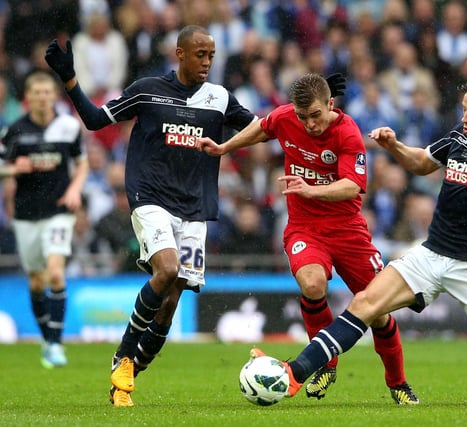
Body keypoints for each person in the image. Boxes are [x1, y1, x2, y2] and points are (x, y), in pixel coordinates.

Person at [250, 77, 467, 404]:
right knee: (365, 304)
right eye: (464, 109)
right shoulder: (459, 136)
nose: (464, 117)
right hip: (431, 254)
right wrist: (394, 146)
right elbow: (423, 163)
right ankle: (294, 372)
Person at [44, 25, 258, 407]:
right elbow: (95, 120)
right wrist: (70, 79)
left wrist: (312, 113)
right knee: (167, 271)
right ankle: (123, 355)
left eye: (211, 55)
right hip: (150, 197)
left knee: (171, 303)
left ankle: (124, 380)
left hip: (194, 209)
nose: (207, 61)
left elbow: (262, 127)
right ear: (179, 53)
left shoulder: (219, 98)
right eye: (200, 54)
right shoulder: (146, 90)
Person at [196, 73, 419, 404]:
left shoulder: (347, 131)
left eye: (316, 115)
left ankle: (397, 383)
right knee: (313, 285)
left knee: (379, 311)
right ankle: (326, 364)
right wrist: (226, 147)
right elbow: (262, 127)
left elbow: (352, 186)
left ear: (330, 104)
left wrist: (310, 189)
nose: (310, 124)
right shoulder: (287, 117)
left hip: (348, 229)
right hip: (305, 227)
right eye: (303, 117)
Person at [0, 71, 89, 368]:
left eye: (46, 91)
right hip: (26, 214)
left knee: (55, 272)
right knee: (37, 282)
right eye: (36, 92)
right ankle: (47, 339)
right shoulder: (15, 130)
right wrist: (13, 170)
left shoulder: (67, 126)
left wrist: (75, 188)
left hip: (58, 211)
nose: (41, 97)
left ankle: (55, 342)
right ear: (28, 97)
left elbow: (82, 163)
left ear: (54, 95)